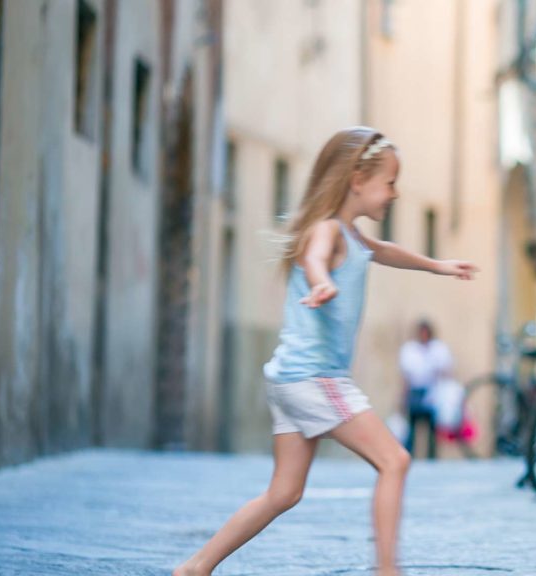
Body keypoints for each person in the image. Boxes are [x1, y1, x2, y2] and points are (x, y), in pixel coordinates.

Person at [174, 127, 477, 576]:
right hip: (316, 379)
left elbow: (387, 251)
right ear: (358, 178)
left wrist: (438, 266)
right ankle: (388, 571)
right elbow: (315, 256)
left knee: (284, 493)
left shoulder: (353, 237)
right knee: (395, 460)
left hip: (290, 379)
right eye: (390, 182)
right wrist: (320, 280)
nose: (395, 193)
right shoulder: (327, 231)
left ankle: (196, 567)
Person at [398, 320, 453, 459]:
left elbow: (447, 370)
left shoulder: (438, 348)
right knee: (412, 428)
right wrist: (402, 398)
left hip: (432, 392)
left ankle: (432, 457)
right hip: (415, 391)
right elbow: (406, 376)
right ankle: (409, 457)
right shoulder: (410, 349)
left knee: (432, 429)